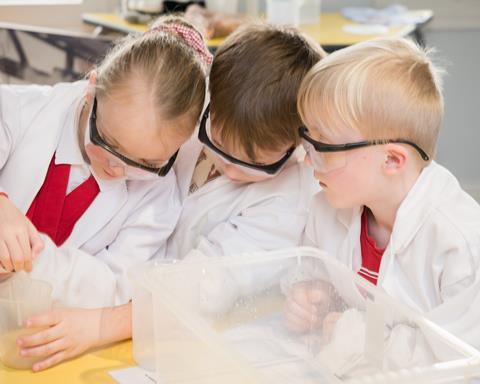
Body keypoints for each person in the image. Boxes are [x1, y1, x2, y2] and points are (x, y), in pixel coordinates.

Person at [17, 22, 325, 371]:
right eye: (217, 142)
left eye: (257, 162)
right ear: (211, 96)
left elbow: (206, 286)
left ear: (298, 145)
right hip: (114, 281)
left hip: (174, 323)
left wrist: (104, 324)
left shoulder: (287, 198)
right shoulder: (186, 109)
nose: (230, 168)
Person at [0, 16, 211, 371]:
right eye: (107, 142)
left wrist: (31, 261)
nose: (117, 169)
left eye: (146, 162)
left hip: (32, 346)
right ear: (93, 88)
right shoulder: (20, 111)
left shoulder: (158, 199)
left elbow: (115, 288)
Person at [284, 38, 480, 356]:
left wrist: (361, 340)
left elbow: (460, 362)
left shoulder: (461, 247)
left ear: (391, 160)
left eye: (322, 148)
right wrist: (310, 297)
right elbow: (312, 273)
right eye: (307, 140)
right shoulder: (328, 208)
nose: (308, 160)